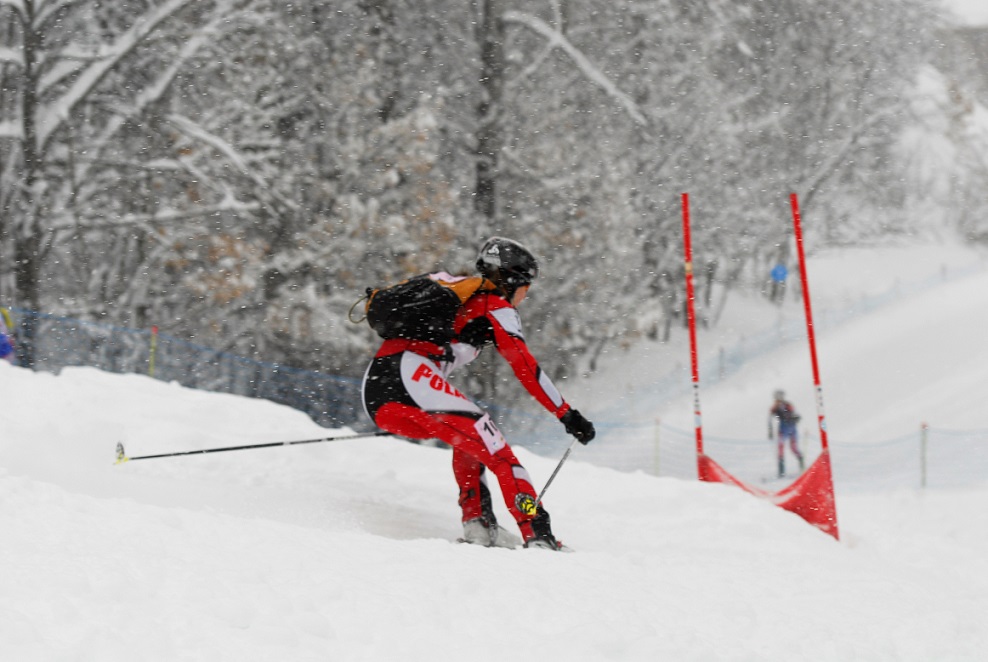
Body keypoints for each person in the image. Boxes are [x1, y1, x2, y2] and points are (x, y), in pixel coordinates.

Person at [361, 237, 595, 550]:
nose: (526, 295)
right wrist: (566, 414)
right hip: (410, 376)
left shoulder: (458, 290)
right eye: (527, 287)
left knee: (470, 441)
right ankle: (538, 534)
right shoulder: (494, 303)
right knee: (500, 453)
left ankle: (479, 525)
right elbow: (526, 367)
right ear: (514, 282)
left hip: (379, 390)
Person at [768, 389, 804, 478]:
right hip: (783, 428)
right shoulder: (775, 407)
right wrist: (770, 430)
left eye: (779, 397)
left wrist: (794, 418)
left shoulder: (787, 405)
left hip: (791, 427)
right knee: (780, 448)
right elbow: (770, 419)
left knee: (793, 448)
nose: (778, 399)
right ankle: (781, 472)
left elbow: (795, 415)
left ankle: (801, 463)